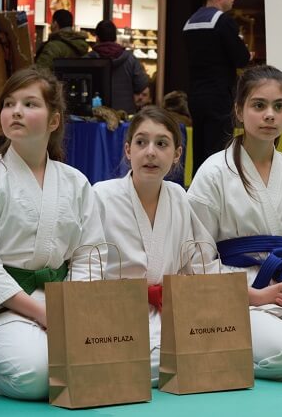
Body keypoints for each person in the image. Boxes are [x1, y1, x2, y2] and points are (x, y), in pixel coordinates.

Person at [0, 67, 105, 400]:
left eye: (29, 104)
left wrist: (70, 308)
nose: (16, 111)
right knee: (39, 373)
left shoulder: (75, 182)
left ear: (54, 120)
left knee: (113, 356)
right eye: (9, 104)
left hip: (59, 302)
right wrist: (43, 314)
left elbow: (90, 254)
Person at [187, 65, 282, 381]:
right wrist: (254, 294)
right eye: (259, 105)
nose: (270, 115)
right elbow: (197, 258)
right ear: (239, 111)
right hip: (238, 295)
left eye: (279, 106)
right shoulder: (213, 173)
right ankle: (222, 349)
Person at [94, 106, 213, 386]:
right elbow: (85, 265)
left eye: (162, 144)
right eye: (141, 142)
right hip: (114, 313)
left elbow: (197, 264)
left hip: (167, 311)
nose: (150, 152)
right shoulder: (101, 195)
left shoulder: (179, 198)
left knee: (211, 350)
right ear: (128, 150)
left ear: (177, 154)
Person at [183, 0, 251, 175]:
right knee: (218, 151)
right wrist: (247, 54)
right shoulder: (222, 21)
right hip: (218, 95)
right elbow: (241, 58)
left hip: (196, 96)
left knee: (199, 149)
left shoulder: (190, 22)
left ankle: (198, 187)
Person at [86, 19, 149, 113]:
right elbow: (141, 85)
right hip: (124, 114)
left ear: (97, 38)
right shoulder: (130, 59)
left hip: (96, 115)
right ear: (115, 38)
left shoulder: (88, 60)